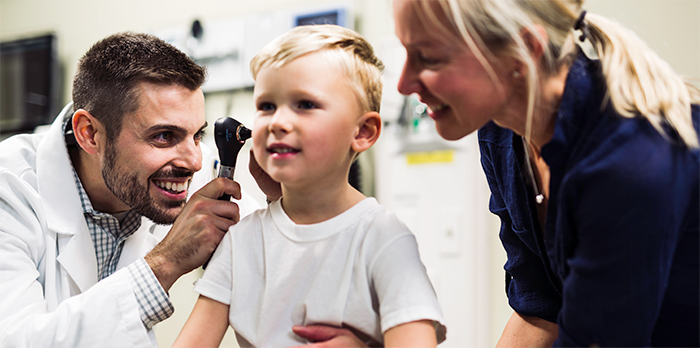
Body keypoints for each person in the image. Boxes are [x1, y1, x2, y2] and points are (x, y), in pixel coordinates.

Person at [389, 0, 699, 347]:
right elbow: (540, 307)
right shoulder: (502, 133)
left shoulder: (630, 162)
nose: (403, 83)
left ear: (524, 51)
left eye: (429, 58)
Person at [172, 24, 447, 348]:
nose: (277, 122)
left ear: (362, 132)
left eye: (305, 104)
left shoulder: (383, 239)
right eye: (266, 106)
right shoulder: (241, 242)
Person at [0, 32, 258, 347]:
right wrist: (166, 261)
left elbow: (277, 242)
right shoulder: (10, 188)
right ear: (90, 134)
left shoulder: (189, 173)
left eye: (197, 135)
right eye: (164, 136)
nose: (193, 160)